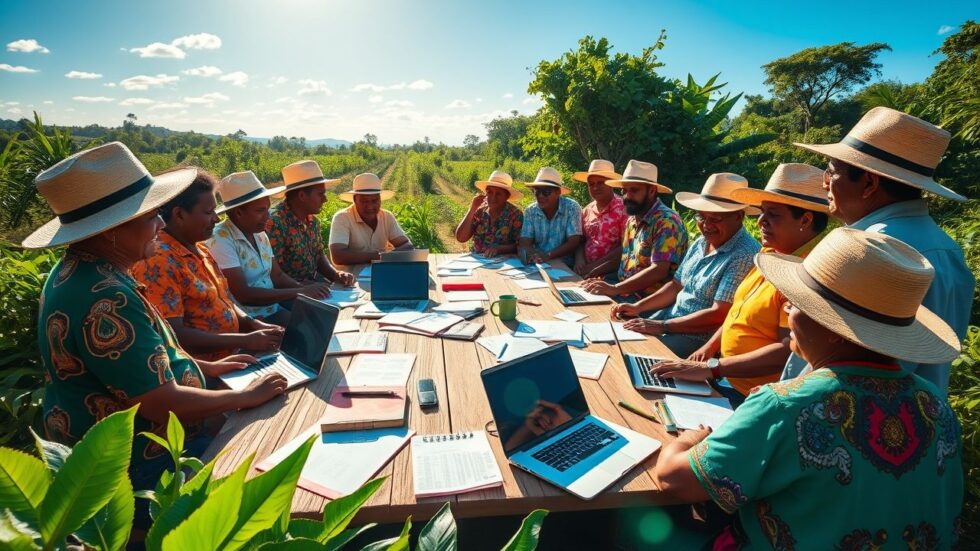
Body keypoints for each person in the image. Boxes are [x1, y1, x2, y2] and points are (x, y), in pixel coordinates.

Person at [25, 142, 287, 527]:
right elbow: (157, 402)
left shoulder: (87, 271)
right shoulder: (106, 295)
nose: (161, 224)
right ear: (112, 230)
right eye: (151, 216)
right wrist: (247, 396)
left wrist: (205, 369)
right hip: (136, 467)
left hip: (113, 452)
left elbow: (141, 358)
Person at [653, 228, 963, 549]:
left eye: (795, 303)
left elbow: (673, 480)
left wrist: (688, 439)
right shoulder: (935, 404)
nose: (788, 313)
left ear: (834, 330)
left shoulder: (786, 404)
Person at [795, 106, 973, 395]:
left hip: (846, 416)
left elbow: (845, 363)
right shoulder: (946, 246)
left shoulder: (870, 250)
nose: (824, 182)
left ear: (868, 183)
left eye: (831, 171)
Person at [649, 163, 830, 405]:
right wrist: (711, 350)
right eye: (762, 213)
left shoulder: (807, 274)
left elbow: (788, 350)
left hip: (751, 394)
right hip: (724, 375)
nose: (760, 222)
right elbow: (737, 311)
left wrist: (713, 367)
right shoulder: (769, 253)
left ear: (806, 220)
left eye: (772, 215)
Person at [132, 169, 284, 361]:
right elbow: (174, 334)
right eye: (208, 211)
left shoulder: (199, 249)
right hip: (206, 370)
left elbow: (224, 301)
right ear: (179, 215)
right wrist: (243, 340)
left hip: (234, 355)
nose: (217, 218)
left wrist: (252, 324)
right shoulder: (158, 260)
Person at [612, 173, 760, 358]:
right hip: (670, 319)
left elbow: (718, 314)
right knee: (617, 339)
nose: (706, 225)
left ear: (738, 217)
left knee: (637, 355)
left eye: (715, 219)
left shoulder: (744, 254)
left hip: (696, 337)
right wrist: (638, 308)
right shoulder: (701, 242)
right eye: (701, 217)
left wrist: (662, 326)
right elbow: (676, 286)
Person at [206, 171, 332, 325]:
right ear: (238, 213)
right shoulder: (221, 239)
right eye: (260, 211)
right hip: (249, 319)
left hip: (272, 309)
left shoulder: (259, 233)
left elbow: (277, 275)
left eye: (267, 209)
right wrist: (299, 291)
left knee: (320, 323)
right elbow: (243, 295)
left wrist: (304, 288)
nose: (268, 216)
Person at [582, 159, 688, 300]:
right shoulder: (632, 219)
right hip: (624, 289)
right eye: (624, 190)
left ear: (651, 191)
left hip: (649, 300)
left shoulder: (666, 221)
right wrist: (595, 274)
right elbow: (624, 260)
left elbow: (659, 271)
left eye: (634, 190)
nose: (627, 196)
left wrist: (614, 289)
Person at [266, 160, 355, 285]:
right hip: (288, 294)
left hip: (312, 286)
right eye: (320, 194)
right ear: (302, 196)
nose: (325, 199)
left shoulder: (312, 222)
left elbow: (318, 255)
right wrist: (301, 287)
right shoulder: (275, 223)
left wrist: (336, 274)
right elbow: (273, 274)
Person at [328, 172, 413, 269]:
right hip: (350, 278)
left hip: (381, 273)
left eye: (374, 201)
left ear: (380, 200)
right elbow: (338, 256)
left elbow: (407, 246)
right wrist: (380, 256)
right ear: (355, 200)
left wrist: (383, 256)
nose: (370, 206)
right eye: (365, 201)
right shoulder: (342, 218)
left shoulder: (386, 216)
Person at [572, 160, 627, 278]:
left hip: (611, 272)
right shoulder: (586, 210)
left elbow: (625, 248)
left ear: (611, 184)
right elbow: (580, 241)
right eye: (591, 184)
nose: (595, 187)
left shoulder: (623, 209)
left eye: (601, 183)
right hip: (585, 270)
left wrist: (593, 268)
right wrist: (579, 260)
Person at [517, 167, 583, 266]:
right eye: (537, 191)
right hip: (539, 262)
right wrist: (531, 253)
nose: (540, 196)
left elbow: (573, 242)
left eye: (546, 192)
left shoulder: (571, 208)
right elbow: (525, 242)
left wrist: (548, 255)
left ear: (558, 192)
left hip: (565, 264)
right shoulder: (530, 211)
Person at [454, 170, 524, 257]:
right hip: (478, 259)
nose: (493, 198)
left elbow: (521, 245)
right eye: (490, 192)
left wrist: (499, 249)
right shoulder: (479, 211)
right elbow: (461, 238)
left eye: (498, 194)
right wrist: (471, 209)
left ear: (507, 197)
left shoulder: (515, 215)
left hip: (504, 263)